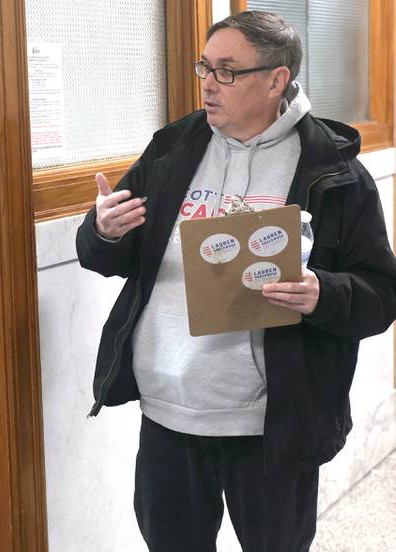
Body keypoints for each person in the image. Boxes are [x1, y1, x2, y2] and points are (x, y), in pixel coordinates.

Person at [76, 10, 396, 552]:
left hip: (270, 424)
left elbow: (380, 296)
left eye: (228, 70)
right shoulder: (172, 149)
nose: (207, 82)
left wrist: (322, 293)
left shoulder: (335, 172)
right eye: (205, 66)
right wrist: (103, 230)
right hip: (168, 411)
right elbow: (107, 254)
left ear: (276, 80)